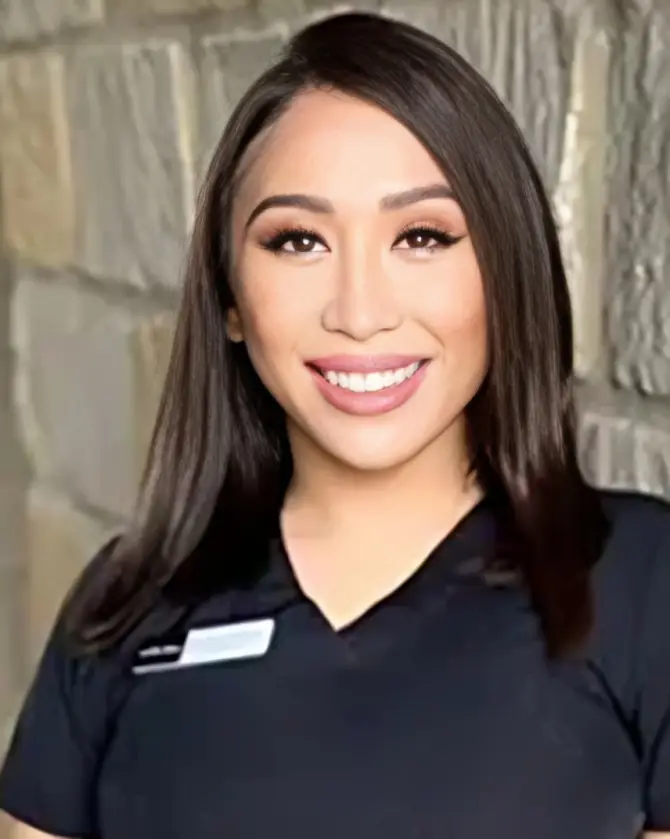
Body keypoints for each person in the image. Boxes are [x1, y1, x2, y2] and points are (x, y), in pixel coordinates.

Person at [1, 10, 669, 839]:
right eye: (298, 242)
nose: (360, 312)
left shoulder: (645, 583)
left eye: (422, 236)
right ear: (231, 301)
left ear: (506, 271)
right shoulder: (126, 603)